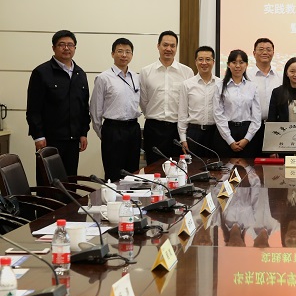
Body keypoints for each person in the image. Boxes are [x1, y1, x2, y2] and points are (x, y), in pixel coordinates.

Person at [26, 30, 90, 176]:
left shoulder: (80, 74)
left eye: (70, 45)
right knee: (48, 181)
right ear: (53, 48)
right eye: (61, 44)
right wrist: (38, 136)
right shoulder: (41, 72)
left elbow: (83, 107)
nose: (66, 48)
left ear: (75, 48)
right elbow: (33, 109)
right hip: (49, 140)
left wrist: (83, 133)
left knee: (70, 181)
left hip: (73, 141)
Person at [90, 38, 141, 182]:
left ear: (132, 55)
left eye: (128, 52)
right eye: (120, 51)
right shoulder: (103, 78)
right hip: (113, 130)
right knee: (113, 173)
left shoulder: (136, 77)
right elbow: (95, 110)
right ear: (112, 54)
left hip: (133, 129)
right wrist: (105, 133)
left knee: (132, 173)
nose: (124, 55)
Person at [140, 30, 194, 164]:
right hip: (153, 129)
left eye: (172, 46)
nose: (168, 49)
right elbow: (143, 101)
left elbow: (189, 103)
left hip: (177, 130)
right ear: (158, 46)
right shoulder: (146, 72)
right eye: (165, 45)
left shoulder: (186, 72)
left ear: (176, 48)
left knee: (178, 168)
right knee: (153, 167)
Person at [213, 50, 262, 158]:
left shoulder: (252, 86)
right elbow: (218, 114)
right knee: (225, 167)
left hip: (248, 133)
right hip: (225, 133)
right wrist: (229, 140)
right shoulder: (220, 86)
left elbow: (256, 116)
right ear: (228, 64)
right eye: (234, 62)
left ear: (246, 65)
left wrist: (247, 139)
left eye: (241, 62)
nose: (238, 66)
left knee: (248, 167)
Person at [178, 46, 222, 158]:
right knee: (194, 166)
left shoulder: (220, 84)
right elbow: (182, 113)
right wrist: (183, 138)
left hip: (215, 133)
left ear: (213, 62)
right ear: (196, 62)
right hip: (194, 133)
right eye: (200, 59)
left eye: (208, 59)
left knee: (215, 166)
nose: (204, 63)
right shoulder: (187, 84)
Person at [247, 38, 282, 154]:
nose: (265, 52)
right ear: (254, 53)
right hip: (251, 127)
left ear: (273, 53)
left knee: (274, 163)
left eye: (268, 49)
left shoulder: (280, 77)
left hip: (275, 128)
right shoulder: (246, 77)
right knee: (251, 161)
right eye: (261, 49)